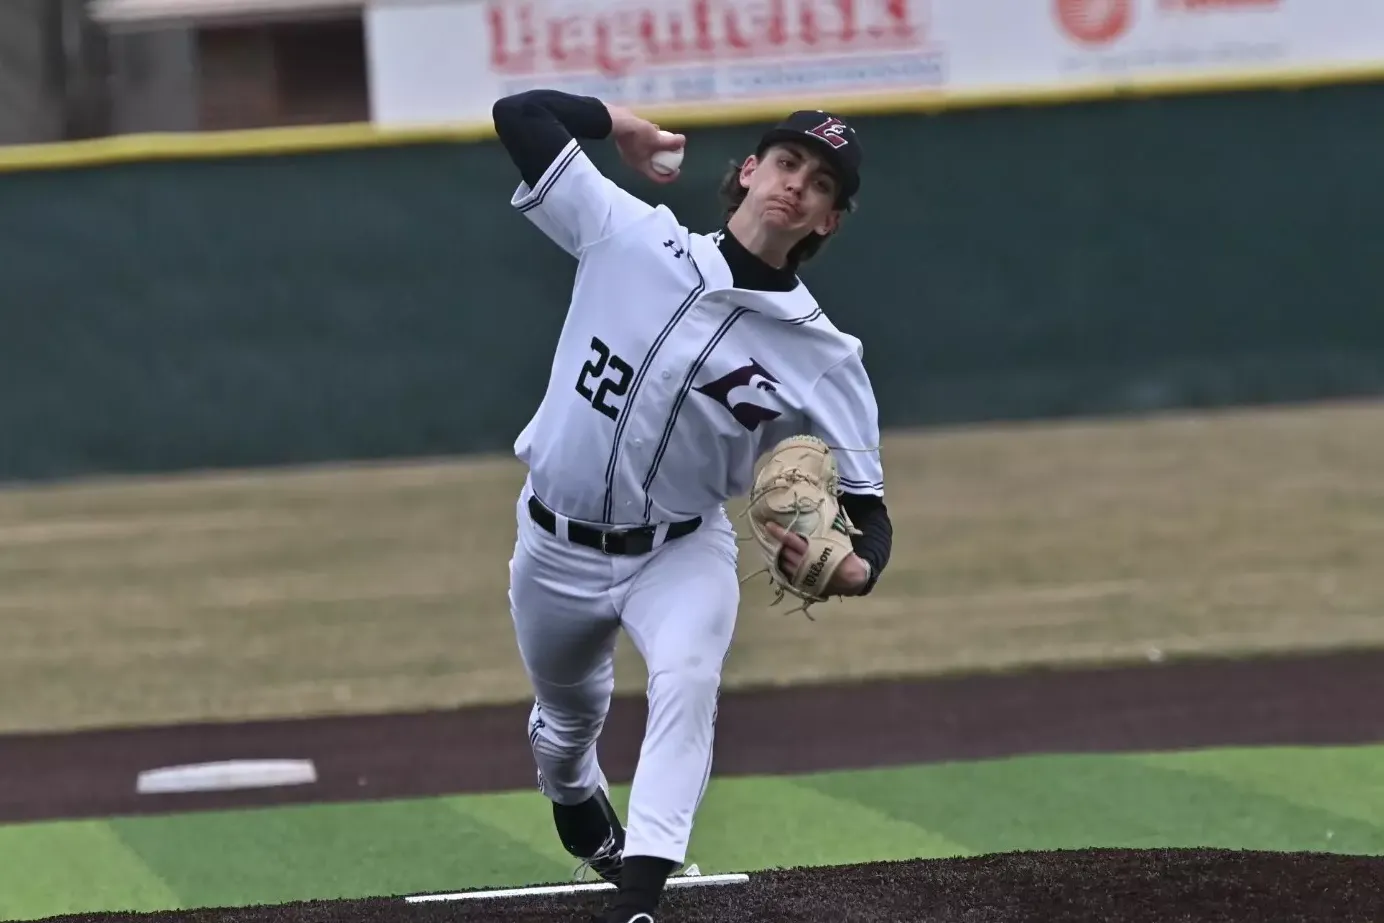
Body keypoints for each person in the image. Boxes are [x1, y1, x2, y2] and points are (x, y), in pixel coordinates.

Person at [491, 88, 894, 923]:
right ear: (748, 172)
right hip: (553, 548)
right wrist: (623, 126)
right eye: (786, 162)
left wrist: (856, 568)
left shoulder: (823, 351)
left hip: (679, 551)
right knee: (569, 726)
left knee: (688, 678)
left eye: (821, 183)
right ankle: (573, 795)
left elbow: (871, 509)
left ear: (829, 221)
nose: (796, 185)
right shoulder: (629, 234)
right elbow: (519, 114)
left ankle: (640, 898)